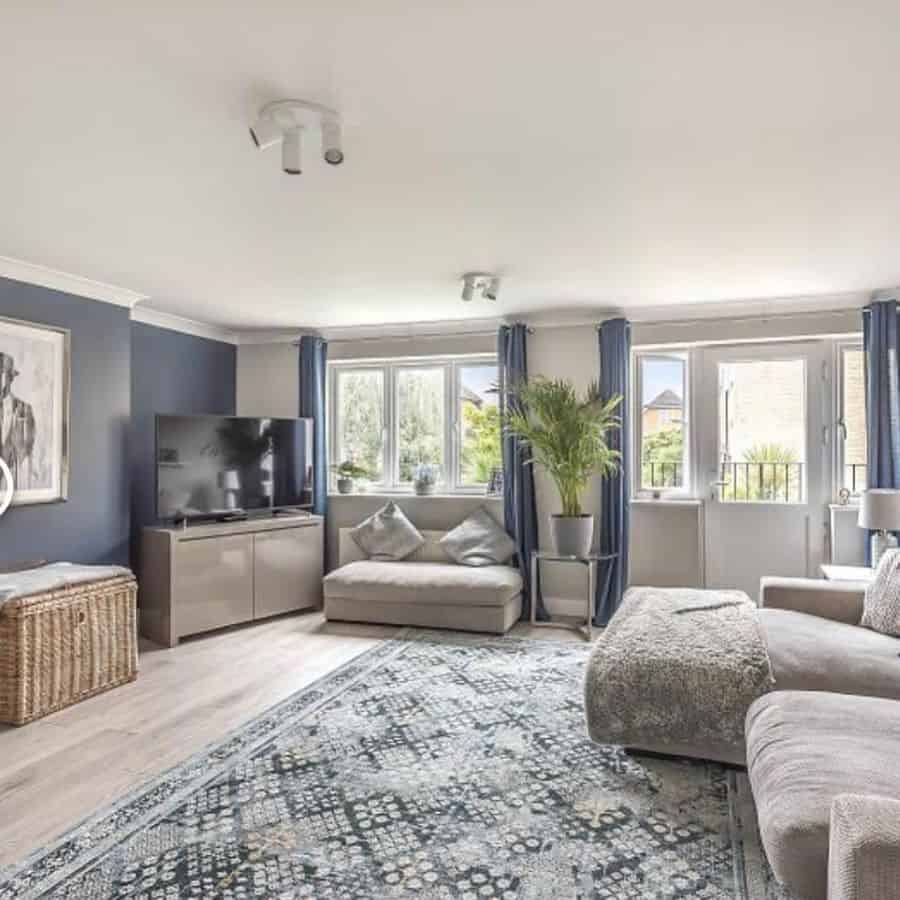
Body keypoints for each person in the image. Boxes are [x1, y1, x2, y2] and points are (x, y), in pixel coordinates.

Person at [0, 352, 36, 488]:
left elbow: (29, 450)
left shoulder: (25, 409)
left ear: (10, 377)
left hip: (13, 485)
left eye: (1, 372)